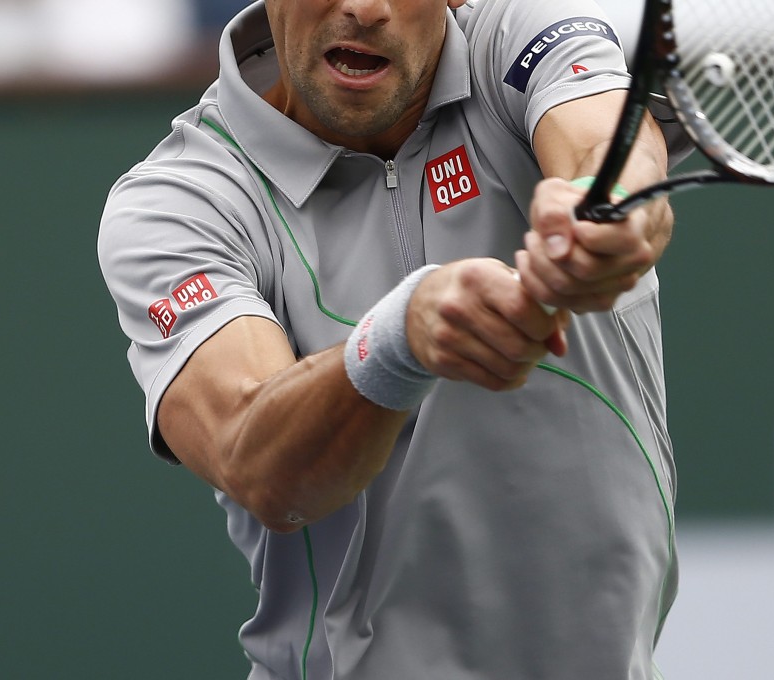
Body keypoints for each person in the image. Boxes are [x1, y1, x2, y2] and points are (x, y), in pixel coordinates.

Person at [98, 0, 681, 678]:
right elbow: (255, 459)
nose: (366, 8)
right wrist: (397, 342)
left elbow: (609, 149)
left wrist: (608, 207)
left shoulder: (520, 34)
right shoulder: (177, 203)